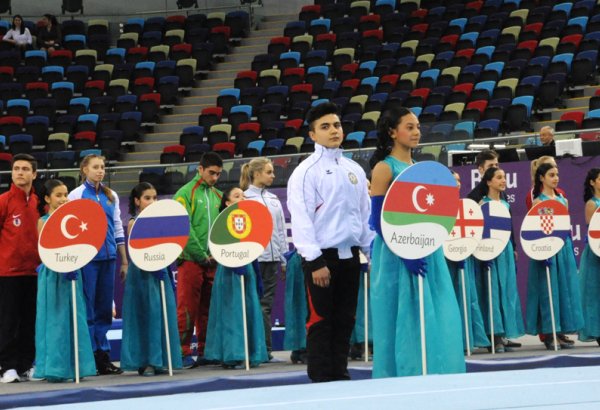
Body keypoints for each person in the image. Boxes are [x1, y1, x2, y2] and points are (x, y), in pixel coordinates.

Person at [369, 106, 465, 377]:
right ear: (392, 131)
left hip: (427, 251)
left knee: (440, 313)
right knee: (404, 318)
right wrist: (405, 252)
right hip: (396, 254)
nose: (416, 132)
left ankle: (438, 369)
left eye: (418, 127)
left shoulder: (420, 169)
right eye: (409, 127)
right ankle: (404, 375)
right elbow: (377, 221)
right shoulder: (384, 168)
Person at [287, 101, 372, 382]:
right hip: (322, 258)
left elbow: (363, 216)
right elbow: (301, 221)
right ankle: (322, 380)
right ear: (312, 135)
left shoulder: (354, 169)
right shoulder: (305, 172)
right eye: (325, 127)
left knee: (346, 320)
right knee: (321, 321)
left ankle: (340, 375)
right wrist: (314, 261)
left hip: (351, 257)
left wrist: (371, 253)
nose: (334, 130)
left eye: (336, 125)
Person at [69, 154, 126, 375]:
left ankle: (103, 356)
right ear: (84, 169)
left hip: (109, 257)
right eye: (95, 167)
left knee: (104, 309)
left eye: (102, 167)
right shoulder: (76, 195)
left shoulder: (111, 195)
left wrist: (124, 260)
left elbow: (118, 227)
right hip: (87, 259)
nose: (100, 171)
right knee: (89, 308)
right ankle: (89, 355)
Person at [34, 179, 96, 382]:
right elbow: (45, 251)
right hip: (53, 275)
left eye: (65, 194)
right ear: (47, 198)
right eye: (58, 195)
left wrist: (73, 265)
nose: (63, 199)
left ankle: (77, 366)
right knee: (55, 321)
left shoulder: (75, 219)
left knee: (75, 318)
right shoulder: (43, 221)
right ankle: (54, 368)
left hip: (73, 273)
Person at [120, 182, 182, 376]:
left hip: (161, 271)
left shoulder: (163, 220)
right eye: (147, 198)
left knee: (162, 314)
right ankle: (146, 361)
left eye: (155, 198)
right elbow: (140, 249)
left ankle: (161, 359)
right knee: (146, 315)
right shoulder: (133, 222)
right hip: (143, 274)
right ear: (137, 201)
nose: (152, 201)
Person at [204, 187, 268, 368]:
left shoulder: (249, 221)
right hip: (229, 272)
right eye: (237, 196)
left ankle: (249, 352)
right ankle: (233, 353)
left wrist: (256, 275)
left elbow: (254, 250)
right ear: (228, 203)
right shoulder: (220, 223)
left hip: (246, 271)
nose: (242, 198)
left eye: (244, 195)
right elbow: (219, 248)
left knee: (247, 311)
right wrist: (234, 263)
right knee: (232, 314)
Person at [525, 163, 584, 350]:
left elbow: (566, 225)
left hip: (563, 247)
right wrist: (543, 250)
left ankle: (560, 331)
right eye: (551, 175)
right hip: (546, 249)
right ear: (542, 178)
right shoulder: (537, 202)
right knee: (548, 290)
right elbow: (535, 230)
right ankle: (549, 332)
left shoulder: (562, 199)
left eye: (557, 174)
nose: (556, 178)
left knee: (563, 289)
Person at [173, 152, 223, 368]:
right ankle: (182, 352)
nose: (214, 178)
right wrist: (201, 255)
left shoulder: (219, 195)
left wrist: (217, 255)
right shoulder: (185, 194)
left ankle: (205, 350)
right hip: (192, 261)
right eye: (211, 173)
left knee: (208, 309)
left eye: (218, 174)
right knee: (187, 308)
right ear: (200, 169)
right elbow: (184, 228)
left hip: (214, 261)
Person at [240, 157, 288, 360]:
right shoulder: (242, 199)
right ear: (256, 173)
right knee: (253, 304)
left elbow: (280, 231)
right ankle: (253, 349)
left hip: (272, 259)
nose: (273, 175)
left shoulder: (274, 200)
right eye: (269, 172)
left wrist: (283, 258)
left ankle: (265, 350)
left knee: (265, 305)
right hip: (253, 260)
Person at [0, 154, 40, 383]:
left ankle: (25, 365)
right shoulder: (3, 201)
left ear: (34, 174)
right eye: (16, 168)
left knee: (29, 321)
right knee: (8, 322)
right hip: (8, 273)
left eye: (25, 169)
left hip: (34, 272)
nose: (20, 173)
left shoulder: (39, 203)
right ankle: (7, 366)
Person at [477, 167, 525, 352]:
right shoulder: (482, 204)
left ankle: (504, 333)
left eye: (504, 177)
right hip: (490, 252)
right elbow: (480, 232)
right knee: (492, 292)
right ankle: (493, 335)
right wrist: (484, 253)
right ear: (489, 182)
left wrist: (513, 247)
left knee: (507, 290)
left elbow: (509, 229)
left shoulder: (505, 204)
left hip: (505, 251)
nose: (503, 181)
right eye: (499, 178)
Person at [446, 170, 490, 353]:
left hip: (466, 259)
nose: (457, 184)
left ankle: (469, 339)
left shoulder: (466, 206)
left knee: (468, 298)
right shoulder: (440, 207)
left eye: (458, 180)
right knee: (451, 298)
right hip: (446, 261)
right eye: (453, 180)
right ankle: (452, 340)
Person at [579, 168, 600, 346]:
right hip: (596, 253)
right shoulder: (592, 204)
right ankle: (596, 331)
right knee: (594, 294)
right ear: (592, 182)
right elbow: (592, 230)